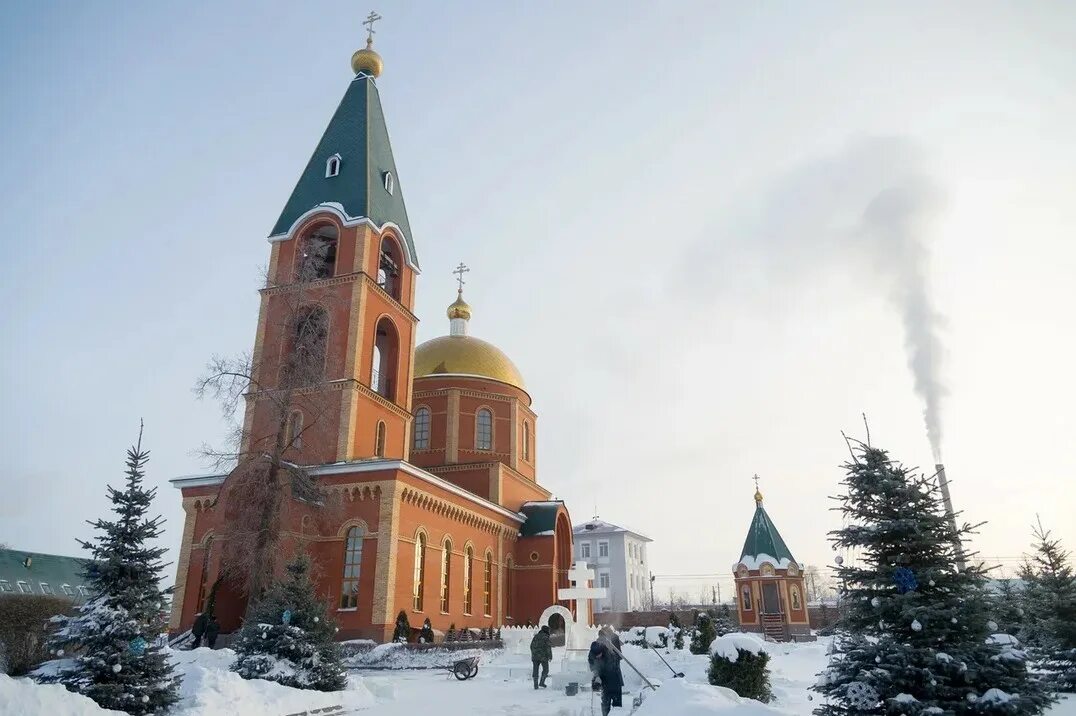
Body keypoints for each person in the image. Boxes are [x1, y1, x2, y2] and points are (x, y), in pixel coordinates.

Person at [588, 627, 624, 715]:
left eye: (599, 655)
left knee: (617, 705)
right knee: (605, 704)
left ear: (602, 651)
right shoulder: (592, 653)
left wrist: (601, 675)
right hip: (604, 682)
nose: (598, 657)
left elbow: (614, 665)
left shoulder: (609, 653)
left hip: (615, 679)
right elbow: (592, 666)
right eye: (596, 656)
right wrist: (596, 676)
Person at [529, 625, 552, 689]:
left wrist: (534, 653)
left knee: (535, 670)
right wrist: (550, 656)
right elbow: (548, 648)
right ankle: (541, 682)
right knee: (546, 670)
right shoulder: (546, 637)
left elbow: (531, 646)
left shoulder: (535, 636)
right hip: (543, 657)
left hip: (535, 657)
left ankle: (535, 685)